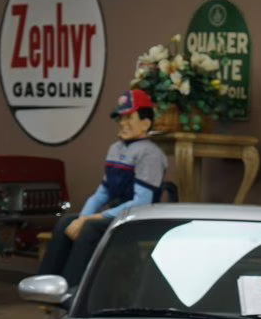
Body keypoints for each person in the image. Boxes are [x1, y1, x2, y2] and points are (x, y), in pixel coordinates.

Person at [36, 88, 169, 289]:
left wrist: (91, 219)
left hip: (137, 219)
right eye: (121, 118)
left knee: (90, 229)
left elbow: (142, 202)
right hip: (114, 215)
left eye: (129, 118)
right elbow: (103, 192)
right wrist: (83, 216)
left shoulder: (150, 154)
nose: (123, 123)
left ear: (145, 123)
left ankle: (73, 291)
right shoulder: (115, 149)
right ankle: (45, 287)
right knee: (66, 222)